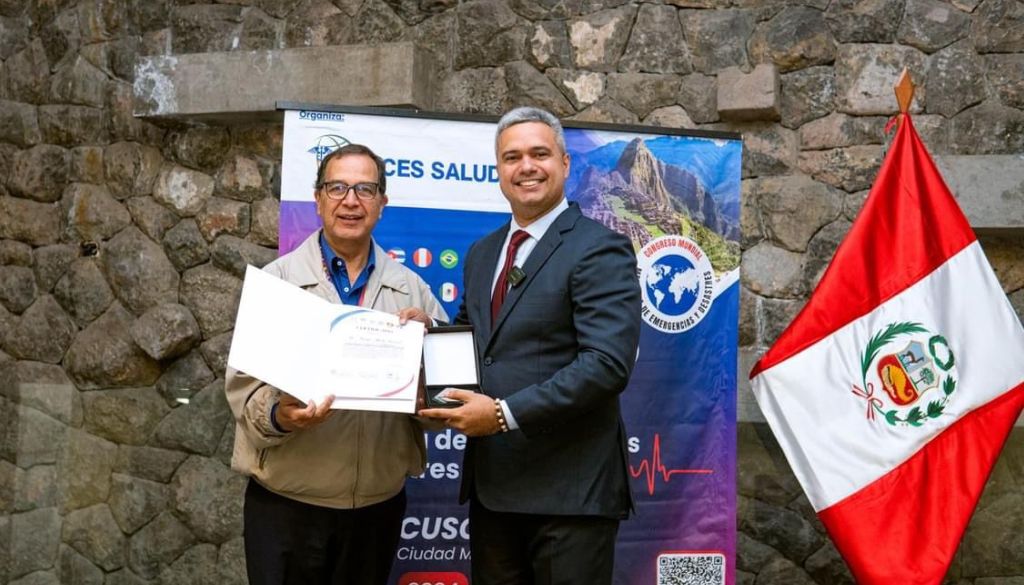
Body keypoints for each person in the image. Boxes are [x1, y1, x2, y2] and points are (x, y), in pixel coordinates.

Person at [419, 107, 642, 585]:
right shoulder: (483, 253)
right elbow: (475, 340)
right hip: (494, 489)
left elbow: (606, 365)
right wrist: (424, 336)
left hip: (569, 498)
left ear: (564, 162)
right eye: (512, 157)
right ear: (498, 170)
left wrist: (502, 415)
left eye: (539, 154)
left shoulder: (599, 247)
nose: (526, 167)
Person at [225, 143, 448, 585]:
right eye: (337, 187)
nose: (351, 200)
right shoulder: (277, 283)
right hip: (286, 508)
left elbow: (444, 402)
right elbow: (243, 393)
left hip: (375, 512)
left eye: (365, 189)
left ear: (382, 203)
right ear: (318, 198)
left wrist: (427, 372)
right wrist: (280, 415)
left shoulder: (414, 292)